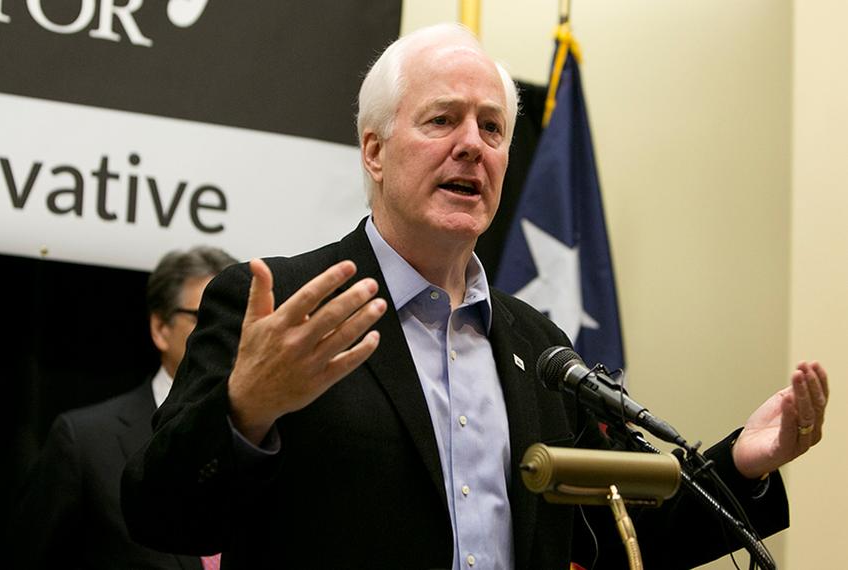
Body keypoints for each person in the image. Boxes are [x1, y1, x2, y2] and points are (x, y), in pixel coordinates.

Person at [121, 24, 829, 569]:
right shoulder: (280, 307)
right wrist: (248, 410)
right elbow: (160, 516)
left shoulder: (539, 344)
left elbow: (619, 529)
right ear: (374, 150)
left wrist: (744, 463)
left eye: (492, 127)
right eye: (442, 121)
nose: (473, 146)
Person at [11, 246, 237, 570]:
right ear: (161, 328)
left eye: (240, 320)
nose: (231, 335)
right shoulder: (85, 442)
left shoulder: (276, 436)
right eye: (210, 318)